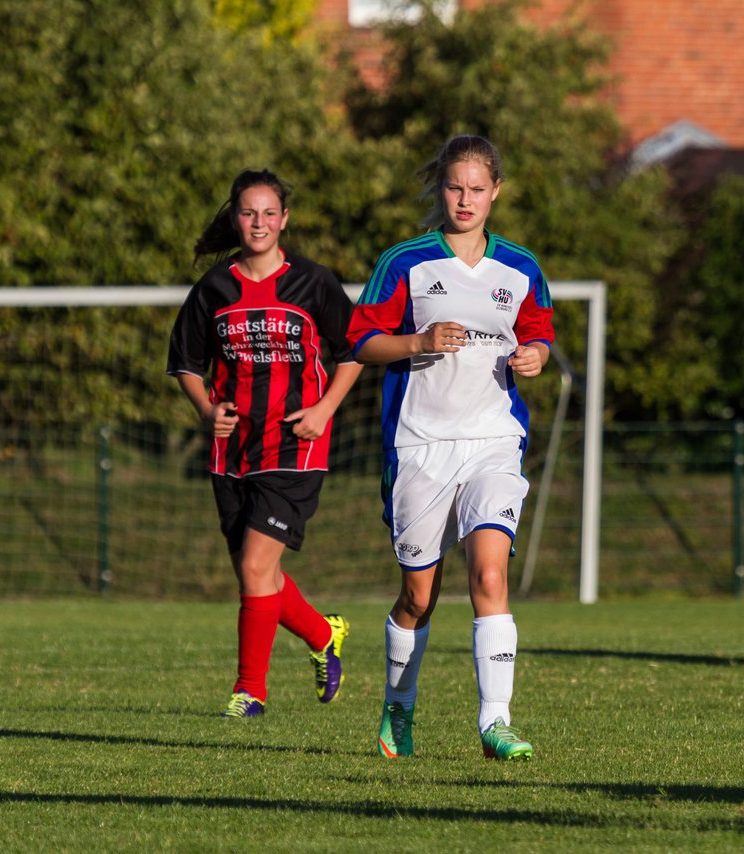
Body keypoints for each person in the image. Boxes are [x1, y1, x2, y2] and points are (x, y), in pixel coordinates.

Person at [346, 135, 554, 761]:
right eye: (454, 188)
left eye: (477, 189)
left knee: (490, 573)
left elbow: (539, 333)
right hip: (420, 444)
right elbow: (359, 341)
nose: (465, 200)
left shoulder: (520, 267)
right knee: (418, 596)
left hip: (494, 438)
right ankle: (398, 707)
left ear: (496, 192)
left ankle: (496, 722)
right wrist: (415, 341)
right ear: (441, 188)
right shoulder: (405, 262)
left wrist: (535, 355)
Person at [167, 169, 362, 718]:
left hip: (295, 444)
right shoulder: (214, 287)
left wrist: (324, 410)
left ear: (285, 220)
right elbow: (184, 361)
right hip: (233, 450)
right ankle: (324, 634)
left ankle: (249, 691)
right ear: (235, 217)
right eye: (248, 213)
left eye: (269, 213)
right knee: (260, 577)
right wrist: (208, 411)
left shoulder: (313, 282)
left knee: (256, 568)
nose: (259, 223)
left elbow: (353, 352)